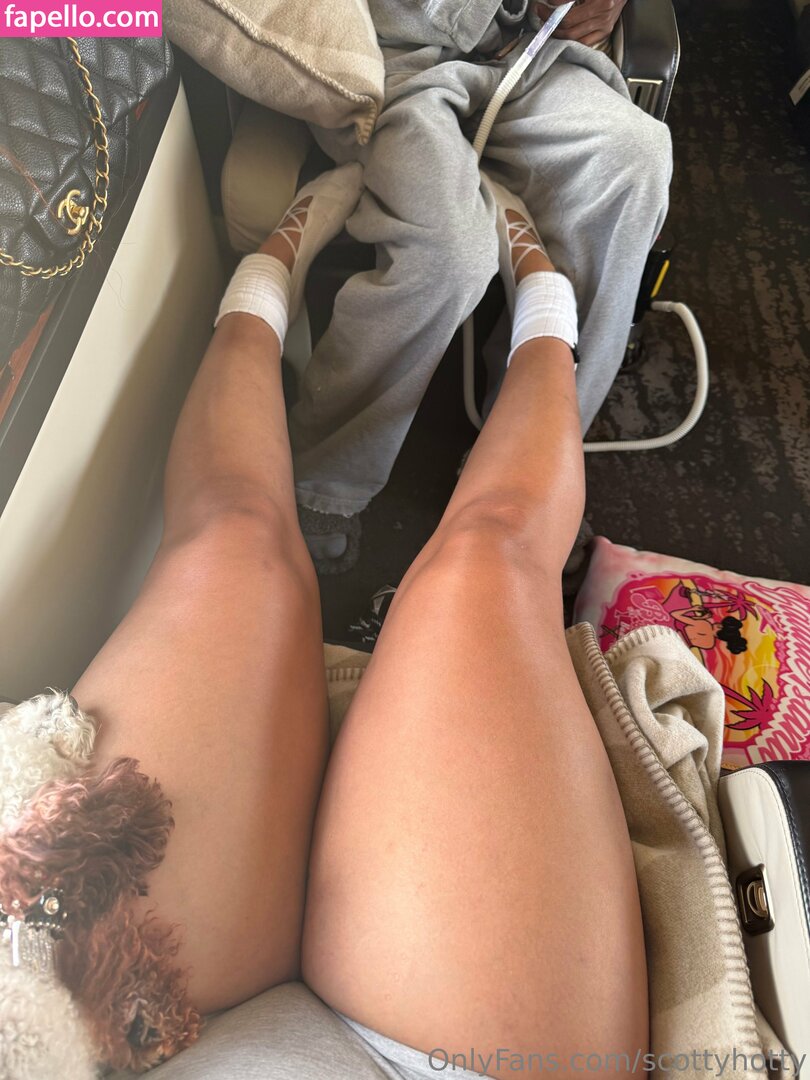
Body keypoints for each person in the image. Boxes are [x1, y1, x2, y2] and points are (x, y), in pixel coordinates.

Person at [0, 167, 646, 1078]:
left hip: (96, 1020)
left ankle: (270, 272)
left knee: (232, 532)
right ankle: (547, 305)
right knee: (490, 556)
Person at [290, 0, 673, 570]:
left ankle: (528, 465)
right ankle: (326, 486)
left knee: (636, 158)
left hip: (534, 57)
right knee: (453, 250)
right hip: (391, 61)